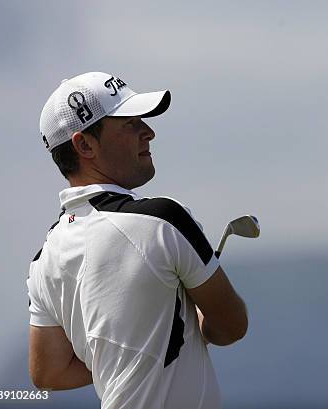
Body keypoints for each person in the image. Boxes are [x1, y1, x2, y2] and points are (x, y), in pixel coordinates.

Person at [27, 72, 248, 409]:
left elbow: (48, 372)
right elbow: (231, 326)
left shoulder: (44, 259)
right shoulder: (163, 220)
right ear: (84, 145)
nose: (149, 131)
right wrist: (199, 326)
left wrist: (125, 358)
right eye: (129, 124)